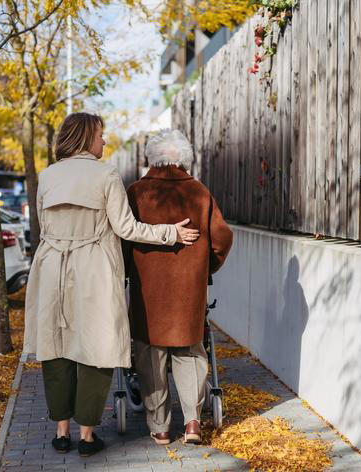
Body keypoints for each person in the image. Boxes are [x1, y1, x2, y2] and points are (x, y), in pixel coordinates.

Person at [23, 113, 200, 457]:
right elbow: (127, 228)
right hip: (93, 269)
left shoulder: (46, 176)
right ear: (87, 136)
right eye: (101, 135)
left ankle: (61, 433)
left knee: (55, 346)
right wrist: (171, 233)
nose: (104, 142)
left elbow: (43, 226)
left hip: (50, 267)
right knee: (96, 347)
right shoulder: (106, 174)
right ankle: (87, 435)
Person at [125, 129, 233, 445]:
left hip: (149, 292)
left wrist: (130, 268)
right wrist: (204, 268)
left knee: (149, 355)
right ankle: (193, 424)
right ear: (184, 158)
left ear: (152, 157)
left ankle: (159, 427)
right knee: (191, 352)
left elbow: (123, 235)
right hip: (190, 290)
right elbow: (222, 237)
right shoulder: (199, 193)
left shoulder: (137, 192)